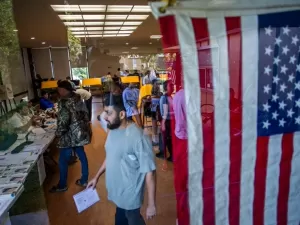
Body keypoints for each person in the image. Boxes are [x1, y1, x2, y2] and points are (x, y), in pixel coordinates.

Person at [87, 95, 156, 225]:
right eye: (105, 111)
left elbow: (150, 172)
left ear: (122, 114)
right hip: (117, 191)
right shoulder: (113, 129)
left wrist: (151, 204)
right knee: (120, 217)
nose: (105, 116)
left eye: (109, 112)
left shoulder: (138, 137)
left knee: (132, 219)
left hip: (130, 195)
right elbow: (111, 156)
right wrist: (96, 177)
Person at [50, 80, 91, 193]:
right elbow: (86, 115)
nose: (58, 92)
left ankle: (62, 184)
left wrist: (58, 133)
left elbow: (63, 121)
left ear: (63, 90)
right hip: (80, 133)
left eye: (59, 89)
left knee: (62, 160)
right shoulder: (78, 98)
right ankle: (84, 180)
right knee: (82, 156)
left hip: (69, 136)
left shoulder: (64, 102)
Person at [172, 84, 189, 225]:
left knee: (181, 179)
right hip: (187, 140)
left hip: (179, 137)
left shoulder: (177, 94)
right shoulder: (190, 96)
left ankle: (180, 215)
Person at [156, 80, 174, 161]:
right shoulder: (164, 98)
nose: (173, 88)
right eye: (171, 86)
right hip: (166, 121)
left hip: (170, 121)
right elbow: (164, 113)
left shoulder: (170, 97)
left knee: (168, 138)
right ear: (166, 87)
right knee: (165, 138)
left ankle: (170, 155)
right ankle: (164, 153)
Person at [150, 79, 162, 146]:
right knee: (158, 123)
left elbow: (152, 98)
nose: (158, 85)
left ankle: (155, 140)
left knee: (154, 123)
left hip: (154, 108)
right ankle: (157, 139)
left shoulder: (152, 93)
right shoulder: (160, 94)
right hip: (158, 108)